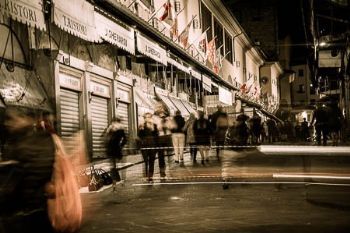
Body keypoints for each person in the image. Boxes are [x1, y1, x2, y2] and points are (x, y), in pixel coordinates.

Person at [1, 106, 56, 233]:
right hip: (33, 211)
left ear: (26, 119)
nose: (7, 123)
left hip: (26, 214)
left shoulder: (32, 142)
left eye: (11, 119)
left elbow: (34, 173)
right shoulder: (15, 141)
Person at [106, 117, 127, 190]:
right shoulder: (119, 129)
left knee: (113, 167)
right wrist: (121, 146)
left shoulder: (110, 129)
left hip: (111, 150)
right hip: (116, 150)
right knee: (119, 166)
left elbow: (106, 139)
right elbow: (125, 139)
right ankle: (120, 181)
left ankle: (115, 183)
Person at [138, 113, 159, 182]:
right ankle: (146, 175)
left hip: (153, 145)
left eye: (149, 117)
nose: (147, 119)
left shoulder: (155, 126)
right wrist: (141, 129)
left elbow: (157, 136)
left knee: (151, 161)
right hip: (144, 145)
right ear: (144, 119)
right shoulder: (142, 126)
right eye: (146, 117)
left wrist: (156, 146)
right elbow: (139, 136)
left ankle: (150, 176)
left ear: (151, 118)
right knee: (146, 161)